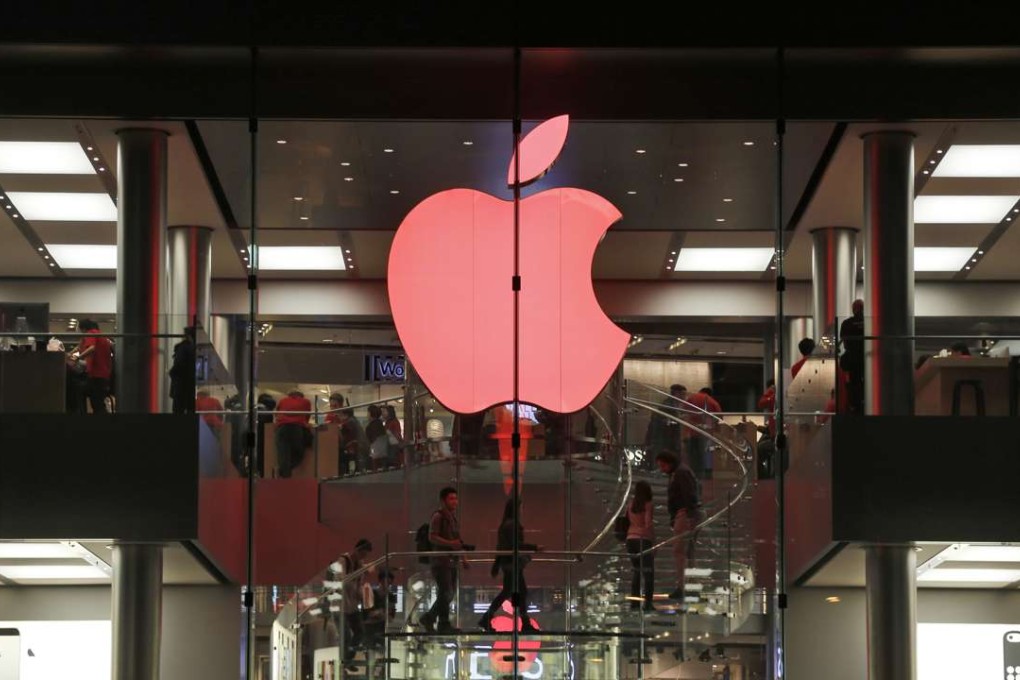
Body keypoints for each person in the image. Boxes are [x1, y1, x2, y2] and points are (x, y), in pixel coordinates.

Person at [478, 498, 540, 632]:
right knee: (518, 592)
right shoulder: (513, 524)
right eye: (521, 508)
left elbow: (501, 546)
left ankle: (489, 618)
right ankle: (523, 623)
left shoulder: (505, 524)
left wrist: (496, 564)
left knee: (512, 592)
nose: (522, 511)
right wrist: (534, 547)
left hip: (507, 563)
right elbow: (515, 545)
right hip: (513, 563)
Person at [421, 487, 471, 634]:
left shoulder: (452, 518)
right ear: (443, 500)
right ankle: (431, 618)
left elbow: (457, 540)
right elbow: (432, 537)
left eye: (456, 498)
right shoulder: (438, 516)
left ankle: (442, 622)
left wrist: (463, 557)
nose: (455, 501)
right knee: (446, 592)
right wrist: (451, 545)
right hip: (441, 561)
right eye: (451, 498)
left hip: (451, 561)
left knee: (448, 593)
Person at [656, 452, 701, 604]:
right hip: (685, 514)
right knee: (687, 552)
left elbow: (689, 494)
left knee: (680, 551)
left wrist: (688, 515)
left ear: (669, 462)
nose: (661, 469)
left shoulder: (680, 473)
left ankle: (683, 587)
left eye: (662, 465)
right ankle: (688, 587)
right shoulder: (679, 472)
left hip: (685, 514)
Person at [334, 538, 373, 671]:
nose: (363, 557)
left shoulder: (360, 564)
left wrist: (361, 594)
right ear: (357, 550)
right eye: (363, 554)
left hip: (352, 605)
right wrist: (358, 575)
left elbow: (358, 586)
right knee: (346, 636)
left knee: (359, 632)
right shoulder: (343, 560)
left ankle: (348, 660)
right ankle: (344, 662)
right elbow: (341, 581)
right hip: (340, 605)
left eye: (365, 555)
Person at [70, 319, 113, 414]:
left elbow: (91, 348)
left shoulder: (92, 333)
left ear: (84, 328)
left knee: (94, 402)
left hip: (97, 375)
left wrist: (78, 358)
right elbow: (80, 348)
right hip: (102, 375)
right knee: (96, 403)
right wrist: (73, 351)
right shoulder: (99, 334)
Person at [626, 480, 655, 611]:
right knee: (648, 573)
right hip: (643, 539)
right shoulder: (648, 505)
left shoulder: (630, 504)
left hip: (630, 539)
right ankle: (648, 604)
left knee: (637, 572)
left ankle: (634, 604)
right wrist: (654, 540)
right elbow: (648, 524)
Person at [685, 387, 721, 481]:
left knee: (692, 458)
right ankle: (705, 479)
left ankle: (692, 477)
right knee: (706, 458)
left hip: (691, 433)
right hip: (706, 434)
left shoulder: (691, 398)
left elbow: (683, 412)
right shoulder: (712, 401)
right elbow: (719, 417)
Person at [645, 384, 687, 464]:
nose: (684, 397)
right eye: (682, 394)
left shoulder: (675, 405)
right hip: (666, 437)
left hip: (670, 437)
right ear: (676, 393)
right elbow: (664, 421)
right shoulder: (668, 405)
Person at [274, 389, 311, 478]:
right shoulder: (306, 401)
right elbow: (307, 416)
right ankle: (286, 471)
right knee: (298, 453)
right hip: (296, 429)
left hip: (281, 428)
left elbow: (277, 414)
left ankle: (284, 474)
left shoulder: (283, 401)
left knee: (283, 453)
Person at [839, 299, 865, 414]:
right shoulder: (869, 322)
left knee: (854, 383)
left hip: (852, 359)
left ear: (853, 309)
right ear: (863, 309)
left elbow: (844, 341)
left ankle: (855, 405)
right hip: (867, 358)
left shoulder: (846, 323)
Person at [168, 329, 196, 414]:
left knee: (178, 409)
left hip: (180, 387)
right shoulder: (193, 348)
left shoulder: (183, 348)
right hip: (190, 387)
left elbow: (179, 365)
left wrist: (171, 372)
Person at [340, 407, 370, 474]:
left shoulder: (350, 422)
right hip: (360, 447)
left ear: (346, 415)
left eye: (341, 415)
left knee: (355, 466)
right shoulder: (354, 420)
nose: (340, 417)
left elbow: (345, 432)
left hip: (356, 447)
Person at [366, 404, 388, 471]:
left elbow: (370, 441)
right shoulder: (381, 425)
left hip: (374, 453)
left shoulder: (370, 426)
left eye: (367, 412)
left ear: (370, 413)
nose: (366, 415)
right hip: (383, 452)